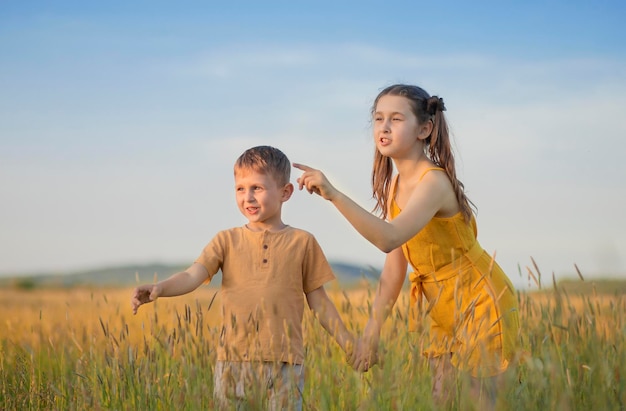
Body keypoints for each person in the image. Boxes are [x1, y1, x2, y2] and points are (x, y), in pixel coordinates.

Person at [294, 84, 520, 408]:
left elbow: (388, 236)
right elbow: (394, 264)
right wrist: (372, 331)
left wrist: (334, 195)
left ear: (424, 129)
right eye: (378, 118)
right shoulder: (395, 185)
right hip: (439, 307)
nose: (383, 127)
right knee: (440, 401)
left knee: (480, 403)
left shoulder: (434, 183)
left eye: (396, 119)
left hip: (481, 300)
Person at [131, 145, 354, 410]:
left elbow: (319, 302)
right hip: (234, 362)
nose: (247, 197)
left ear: (285, 192)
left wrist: (349, 344)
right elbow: (192, 275)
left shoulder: (302, 242)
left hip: (285, 363)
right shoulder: (226, 240)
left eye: (257, 188)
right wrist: (161, 288)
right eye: (240, 189)